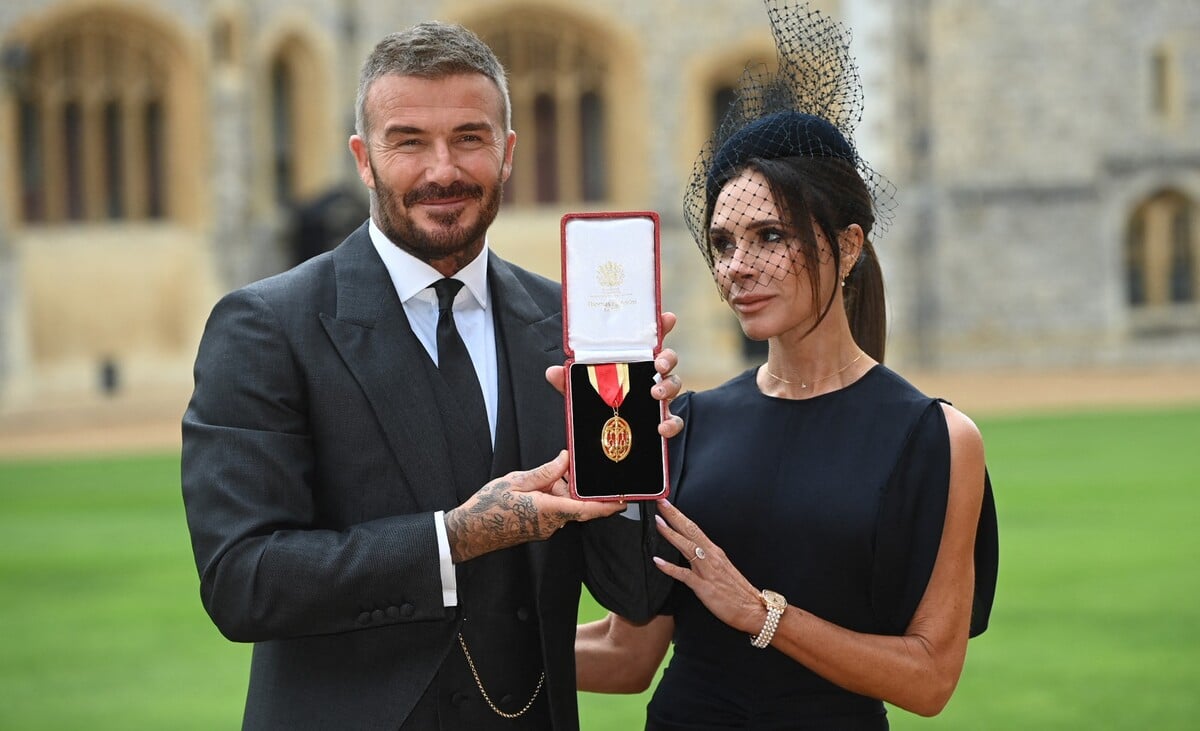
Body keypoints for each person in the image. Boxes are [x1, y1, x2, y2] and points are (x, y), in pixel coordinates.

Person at [181, 21, 681, 730]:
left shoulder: (570, 326)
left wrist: (629, 464)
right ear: (364, 158)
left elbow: (630, 592)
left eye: (469, 138)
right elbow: (243, 581)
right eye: (409, 140)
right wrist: (454, 538)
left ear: (507, 153)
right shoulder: (267, 327)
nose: (442, 169)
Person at [575, 2, 998, 728]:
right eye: (722, 241)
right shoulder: (689, 423)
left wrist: (762, 614)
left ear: (850, 245)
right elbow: (628, 655)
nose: (738, 266)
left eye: (769, 234)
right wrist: (458, 632)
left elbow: (929, 679)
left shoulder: (937, 439)